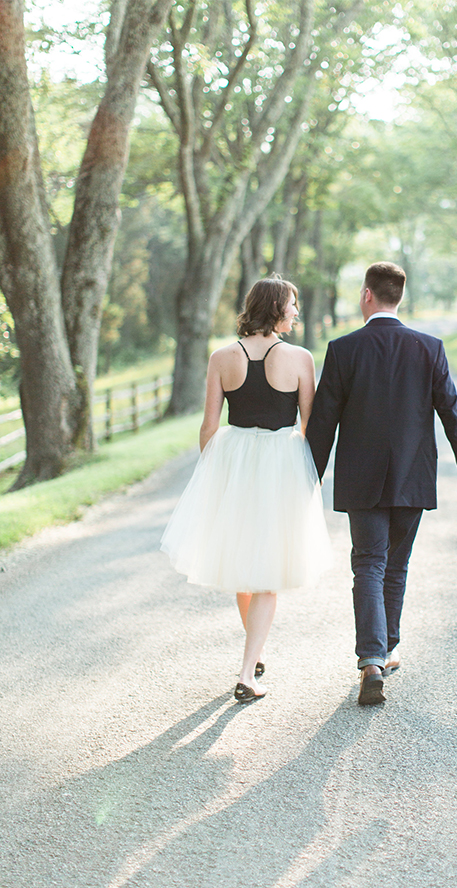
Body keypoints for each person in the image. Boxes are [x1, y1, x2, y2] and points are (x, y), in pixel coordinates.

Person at [306, 261, 457, 706]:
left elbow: (323, 421)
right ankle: (385, 651)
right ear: (397, 297)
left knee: (367, 563)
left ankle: (371, 658)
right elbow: (453, 416)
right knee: (396, 567)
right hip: (413, 475)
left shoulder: (343, 349)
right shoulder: (429, 348)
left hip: (361, 476)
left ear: (367, 295)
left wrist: (307, 477)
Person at [161, 277, 330, 703]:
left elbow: (208, 427)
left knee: (244, 566)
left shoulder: (222, 357)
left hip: (234, 459)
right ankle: (247, 674)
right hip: (280, 461)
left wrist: (212, 476)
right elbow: (309, 426)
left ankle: (254, 654)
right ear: (275, 308)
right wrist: (311, 476)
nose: (296, 312)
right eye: (292, 305)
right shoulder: (299, 358)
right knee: (269, 574)